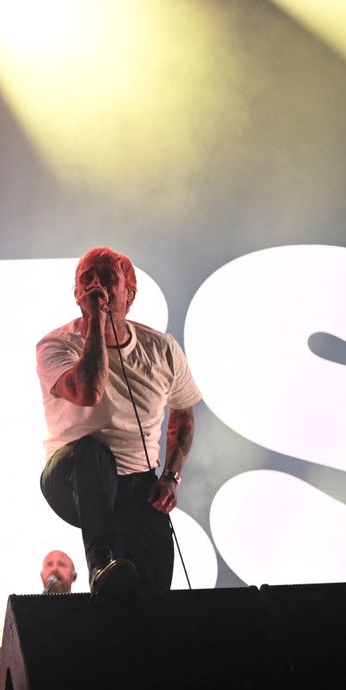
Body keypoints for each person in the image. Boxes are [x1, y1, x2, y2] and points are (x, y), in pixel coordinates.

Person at [35, 247, 200, 595]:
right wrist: (97, 321)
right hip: (72, 477)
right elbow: (89, 391)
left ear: (131, 292)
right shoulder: (56, 345)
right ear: (77, 295)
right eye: (86, 280)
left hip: (136, 484)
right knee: (92, 451)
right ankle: (99, 562)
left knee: (153, 591)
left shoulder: (162, 349)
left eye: (107, 278)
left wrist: (170, 477)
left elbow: (183, 413)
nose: (96, 286)